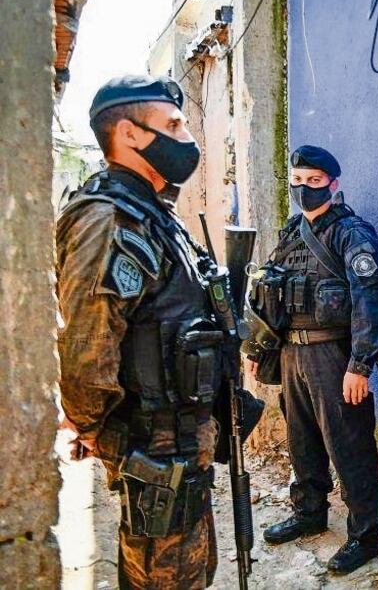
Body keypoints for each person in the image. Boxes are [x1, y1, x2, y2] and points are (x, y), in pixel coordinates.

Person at [56, 75, 220, 588]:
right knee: (162, 578)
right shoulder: (108, 220)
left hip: (180, 439)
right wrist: (98, 431)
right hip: (154, 446)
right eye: (173, 124)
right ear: (128, 134)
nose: (186, 136)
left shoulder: (156, 216)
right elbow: (86, 347)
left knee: (191, 570)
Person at [244, 145, 378, 574]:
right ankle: (309, 512)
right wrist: (260, 349)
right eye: (299, 180)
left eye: (314, 181)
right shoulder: (290, 233)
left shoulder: (351, 233)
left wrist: (359, 365)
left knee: (350, 446)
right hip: (290, 351)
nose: (305, 188)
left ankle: (365, 535)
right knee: (301, 441)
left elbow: (370, 299)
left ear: (333, 184)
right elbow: (270, 292)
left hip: (333, 354)